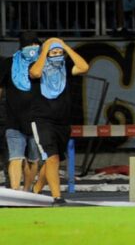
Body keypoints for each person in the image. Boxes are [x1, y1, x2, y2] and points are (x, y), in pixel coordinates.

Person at [30, 38, 90, 206]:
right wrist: (45, 51)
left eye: (59, 53)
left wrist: (65, 47)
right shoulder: (37, 67)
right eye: (53, 53)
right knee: (52, 158)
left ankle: (35, 192)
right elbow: (35, 73)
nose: (57, 56)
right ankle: (57, 197)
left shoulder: (65, 68)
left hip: (63, 121)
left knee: (53, 160)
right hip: (43, 119)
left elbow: (84, 67)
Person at [0, 32, 42, 191]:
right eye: (28, 45)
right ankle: (16, 193)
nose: (32, 48)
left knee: (33, 160)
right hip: (14, 119)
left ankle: (26, 191)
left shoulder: (41, 65)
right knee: (15, 158)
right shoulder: (9, 64)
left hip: (37, 120)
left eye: (35, 45)